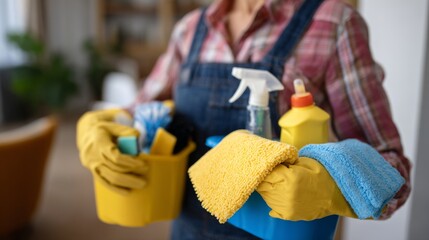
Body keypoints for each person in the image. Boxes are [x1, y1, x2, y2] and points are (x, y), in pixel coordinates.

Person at [77, 0, 411, 239]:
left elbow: (392, 172)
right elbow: (139, 112)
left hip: (282, 232)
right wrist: (99, 125)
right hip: (189, 231)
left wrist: (332, 189)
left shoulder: (334, 24)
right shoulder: (190, 29)